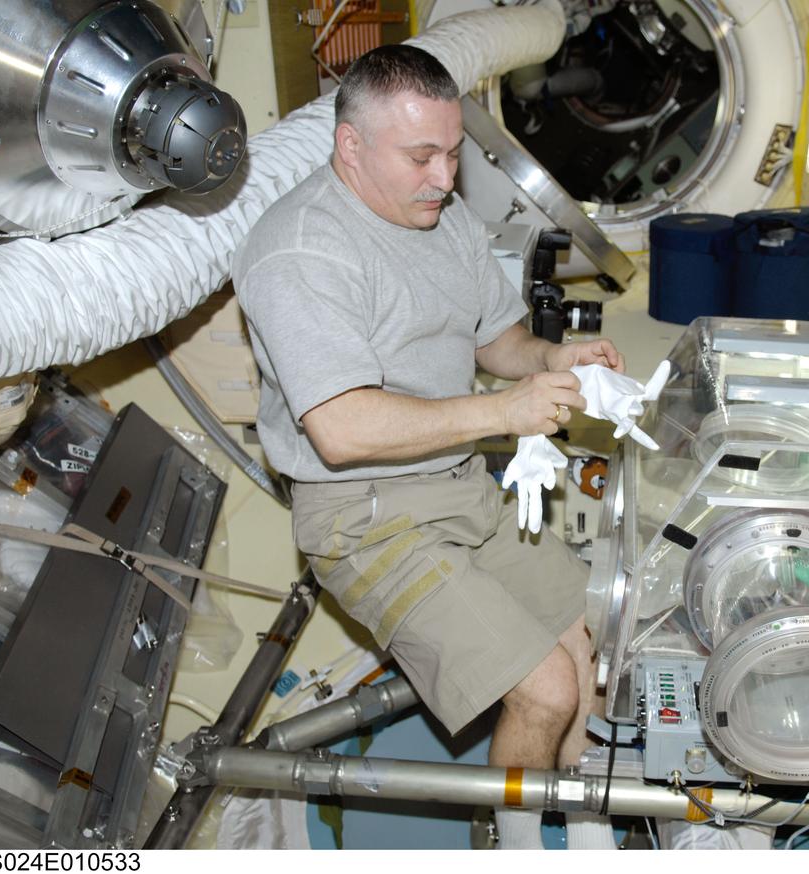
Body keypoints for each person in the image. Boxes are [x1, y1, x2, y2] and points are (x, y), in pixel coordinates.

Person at [232, 44, 621, 850]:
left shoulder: (441, 217)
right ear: (349, 147)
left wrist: (550, 362)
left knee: (588, 645)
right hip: (364, 515)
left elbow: (496, 339)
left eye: (451, 153)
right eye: (421, 157)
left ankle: (586, 834)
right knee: (545, 689)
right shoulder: (300, 250)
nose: (445, 177)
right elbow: (340, 432)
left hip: (456, 487)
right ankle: (509, 848)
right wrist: (503, 413)